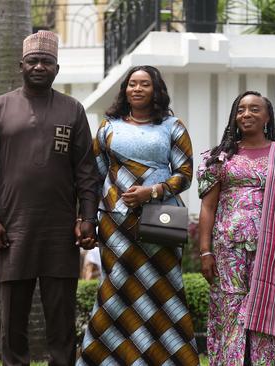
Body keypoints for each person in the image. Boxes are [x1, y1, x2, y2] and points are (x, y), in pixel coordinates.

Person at [0, 30, 98, 366]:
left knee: (61, 320)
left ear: (57, 69)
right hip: (12, 231)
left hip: (59, 231)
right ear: (21, 66)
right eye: (34, 61)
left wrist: (88, 218)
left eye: (47, 61)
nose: (40, 66)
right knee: (13, 322)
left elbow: (87, 171)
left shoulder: (73, 110)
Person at [77, 65, 200, 365]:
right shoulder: (108, 127)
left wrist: (153, 191)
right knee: (116, 285)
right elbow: (95, 176)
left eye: (144, 84)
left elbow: (184, 174)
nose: (137, 89)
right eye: (132, 84)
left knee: (163, 286)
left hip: (160, 220)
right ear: (125, 90)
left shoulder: (173, 126)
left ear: (156, 90)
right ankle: (105, 358)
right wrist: (88, 218)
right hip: (114, 222)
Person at [197, 90, 275, 365]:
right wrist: (204, 251)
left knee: (273, 304)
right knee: (231, 307)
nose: (246, 114)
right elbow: (207, 207)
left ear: (267, 116)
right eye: (241, 110)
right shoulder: (220, 157)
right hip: (230, 249)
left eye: (254, 109)